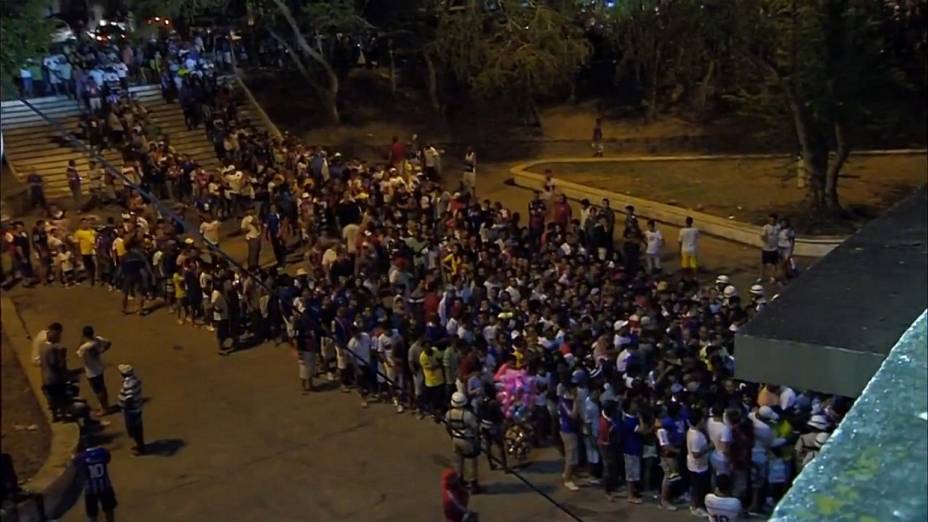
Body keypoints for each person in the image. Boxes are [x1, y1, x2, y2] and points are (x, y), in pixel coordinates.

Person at [445, 392, 482, 494]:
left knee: (458, 461)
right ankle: (473, 485)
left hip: (455, 439)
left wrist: (452, 436)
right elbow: (475, 428)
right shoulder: (467, 415)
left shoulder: (449, 414)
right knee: (471, 462)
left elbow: (447, 427)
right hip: (467, 439)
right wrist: (477, 439)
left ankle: (459, 481)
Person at [74, 446, 117, 522]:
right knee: (109, 509)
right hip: (105, 487)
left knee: (92, 514)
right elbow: (107, 460)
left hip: (90, 489)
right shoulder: (103, 452)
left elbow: (78, 470)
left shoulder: (80, 457)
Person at [76, 326, 112, 416]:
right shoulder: (97, 340)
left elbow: (79, 354)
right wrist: (102, 350)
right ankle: (105, 405)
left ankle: (105, 409)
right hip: (99, 367)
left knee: (98, 390)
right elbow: (108, 342)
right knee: (102, 388)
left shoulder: (85, 347)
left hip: (91, 371)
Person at [686, 408, 711, 517]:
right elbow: (696, 454)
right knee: (698, 488)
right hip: (698, 467)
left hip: (695, 465)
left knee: (697, 487)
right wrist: (709, 447)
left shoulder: (692, 431)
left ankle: (696, 504)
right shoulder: (696, 436)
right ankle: (695, 507)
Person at [117, 364, 145, 455]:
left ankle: (140, 448)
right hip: (137, 408)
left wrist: (125, 408)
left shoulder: (127, 384)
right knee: (137, 429)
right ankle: (139, 445)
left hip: (131, 410)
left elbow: (129, 398)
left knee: (135, 429)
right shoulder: (135, 379)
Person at [73, 218, 98, 286]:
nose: (85, 224)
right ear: (80, 224)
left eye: (86, 223)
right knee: (87, 267)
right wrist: (78, 253)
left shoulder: (92, 231)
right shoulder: (78, 233)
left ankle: (93, 280)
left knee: (93, 266)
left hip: (92, 252)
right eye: (84, 223)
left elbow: (96, 239)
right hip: (84, 252)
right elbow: (76, 244)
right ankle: (88, 280)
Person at [759, 214, 780, 283]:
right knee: (763, 263)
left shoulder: (778, 227)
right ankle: (761, 277)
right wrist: (768, 243)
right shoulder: (765, 227)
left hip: (775, 248)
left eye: (773, 220)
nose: (771, 221)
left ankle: (772, 277)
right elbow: (762, 236)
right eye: (770, 220)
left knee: (774, 263)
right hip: (766, 248)